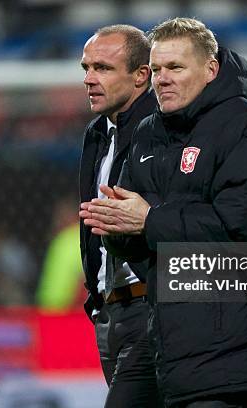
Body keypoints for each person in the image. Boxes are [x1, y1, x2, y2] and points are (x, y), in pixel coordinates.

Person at [80, 17, 247, 408]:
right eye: (158, 69)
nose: (163, 79)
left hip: (231, 335)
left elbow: (243, 229)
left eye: (176, 67)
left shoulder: (244, 126)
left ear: (210, 69)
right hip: (169, 331)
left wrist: (148, 221)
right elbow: (137, 233)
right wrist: (118, 229)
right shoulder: (149, 132)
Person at [78, 25, 161, 407]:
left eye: (103, 68)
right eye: (86, 68)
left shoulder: (166, 133)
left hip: (151, 309)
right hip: (109, 313)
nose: (89, 79)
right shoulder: (96, 134)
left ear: (141, 75)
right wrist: (97, 302)